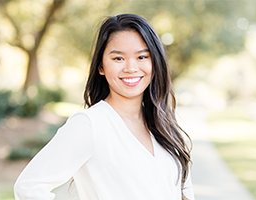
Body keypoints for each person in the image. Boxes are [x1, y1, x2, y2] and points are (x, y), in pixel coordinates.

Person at [14, 13, 194, 200]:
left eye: (142, 57)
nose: (131, 68)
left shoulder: (166, 126)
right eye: (118, 59)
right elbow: (29, 187)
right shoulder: (90, 124)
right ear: (101, 66)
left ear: (155, 63)